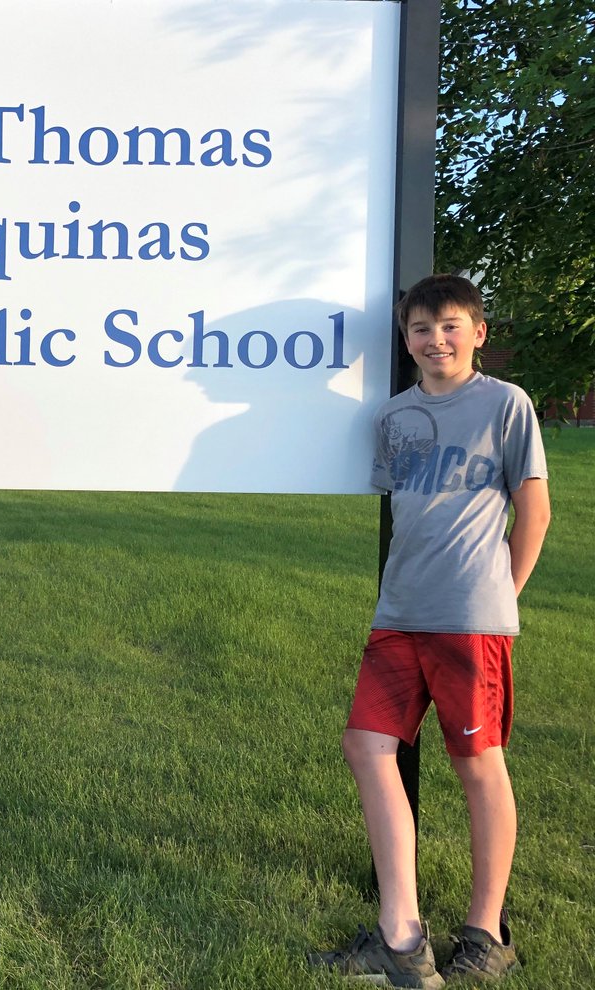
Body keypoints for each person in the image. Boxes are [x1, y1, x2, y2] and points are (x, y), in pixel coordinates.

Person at [309, 275, 551, 986]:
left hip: (469, 620)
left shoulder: (506, 404)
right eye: (420, 329)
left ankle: (484, 935)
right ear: (405, 339)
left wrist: (501, 597)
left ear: (478, 331)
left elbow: (532, 514)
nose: (435, 339)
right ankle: (401, 937)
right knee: (365, 746)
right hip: (399, 613)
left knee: (478, 766)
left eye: (450, 326)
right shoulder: (394, 417)